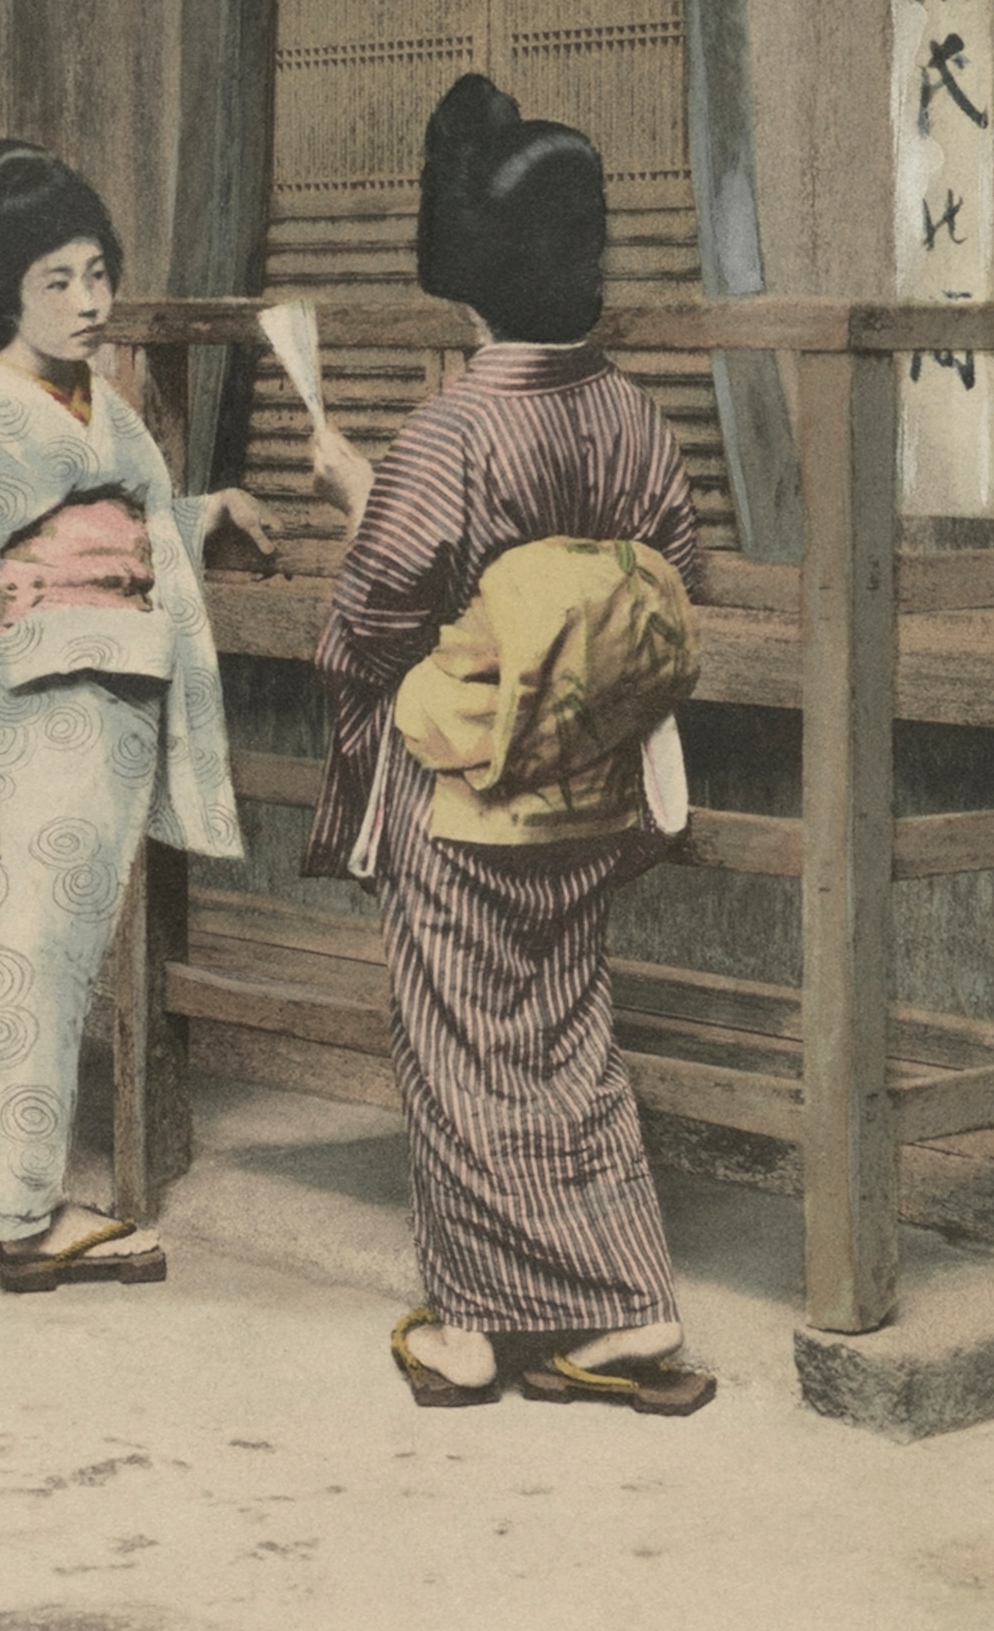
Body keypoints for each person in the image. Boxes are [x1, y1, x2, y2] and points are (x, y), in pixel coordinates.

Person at [306, 75, 713, 1414]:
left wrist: (367, 518)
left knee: (457, 1045)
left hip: (467, 783)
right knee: (565, 1033)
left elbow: (372, 618)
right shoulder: (634, 417)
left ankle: (478, 1325)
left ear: (463, 272)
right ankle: (626, 1306)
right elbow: (675, 572)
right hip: (590, 779)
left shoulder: (453, 429)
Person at [0, 140, 271, 1287]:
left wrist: (196, 516)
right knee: (21, 955)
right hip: (29, 724)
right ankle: (15, 1218)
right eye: (58, 281)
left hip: (99, 713)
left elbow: (114, 526)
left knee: (24, 954)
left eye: (98, 273)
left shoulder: (93, 404)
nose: (91, 302)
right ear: (4, 291)